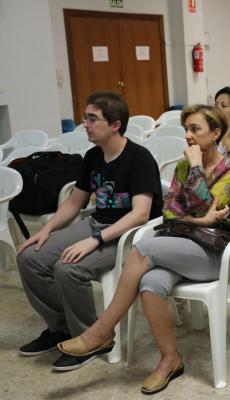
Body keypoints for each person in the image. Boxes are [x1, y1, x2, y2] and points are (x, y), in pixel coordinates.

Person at [57, 105, 230, 394]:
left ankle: (102, 332)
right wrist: (201, 218)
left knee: (143, 249)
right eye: (186, 130)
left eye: (195, 129)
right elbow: (170, 213)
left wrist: (196, 173)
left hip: (219, 253)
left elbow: (205, 207)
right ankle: (171, 360)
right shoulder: (181, 168)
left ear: (216, 133)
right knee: (149, 284)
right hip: (183, 245)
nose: (188, 136)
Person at [16, 92, 163, 371]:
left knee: (68, 268)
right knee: (29, 257)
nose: (85, 124)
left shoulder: (138, 157)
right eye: (86, 118)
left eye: (93, 119)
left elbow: (140, 214)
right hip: (98, 223)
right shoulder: (94, 156)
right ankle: (60, 329)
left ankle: (91, 337)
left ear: (115, 125)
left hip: (129, 234)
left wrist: (93, 242)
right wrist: (45, 231)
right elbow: (74, 202)